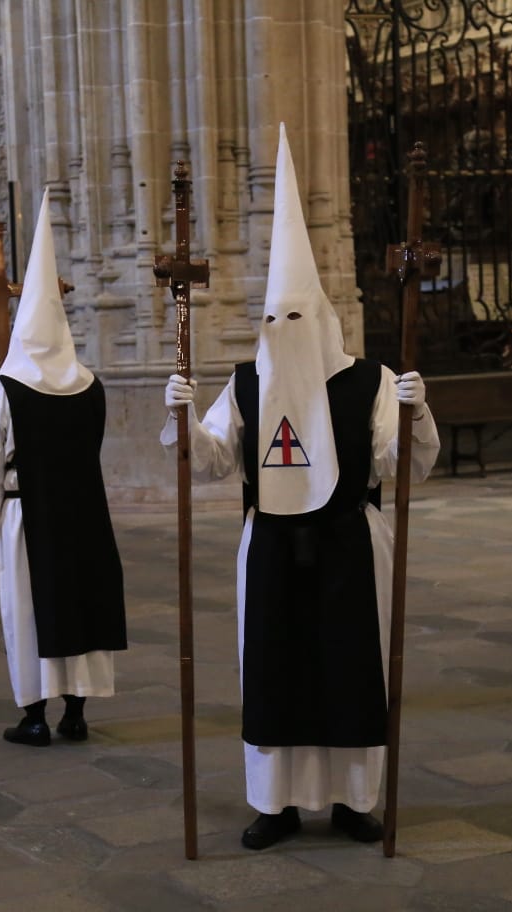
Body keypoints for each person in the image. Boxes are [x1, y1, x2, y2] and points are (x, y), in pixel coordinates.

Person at [162, 125, 441, 850]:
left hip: (350, 538)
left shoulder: (368, 380)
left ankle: (353, 801)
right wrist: (183, 419)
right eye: (273, 319)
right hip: (270, 544)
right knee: (274, 665)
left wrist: (415, 409)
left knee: (351, 665)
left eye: (297, 317)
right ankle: (275, 803)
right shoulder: (248, 383)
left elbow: (396, 462)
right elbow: (215, 458)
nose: (284, 329)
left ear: (321, 318)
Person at [0, 189, 127, 747]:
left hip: (25, 516)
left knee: (29, 609)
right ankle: (77, 713)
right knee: (81, 603)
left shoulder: (5, 391)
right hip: (83, 514)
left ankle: (35, 715)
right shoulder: (90, 385)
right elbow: (92, 444)